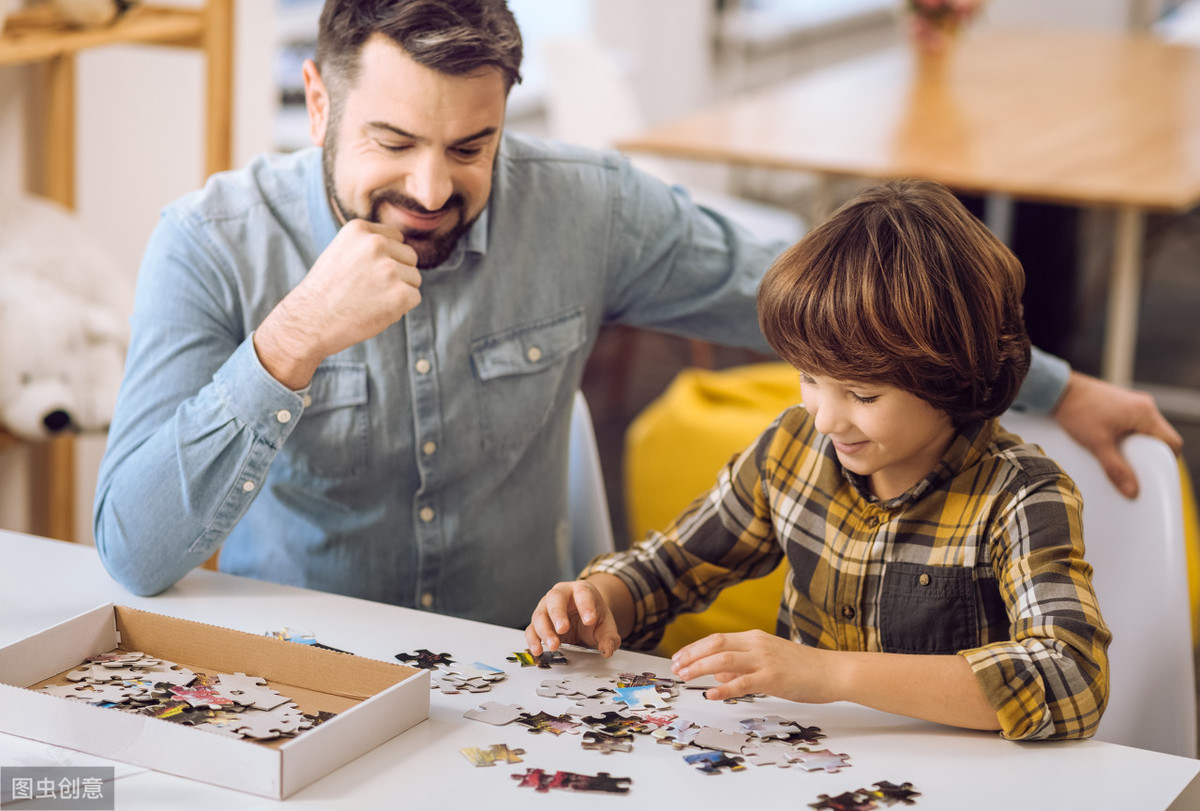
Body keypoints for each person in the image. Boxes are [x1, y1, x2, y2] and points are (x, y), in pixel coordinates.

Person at [95, 0, 1176, 631]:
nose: (431, 189)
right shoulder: (208, 242)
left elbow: (832, 304)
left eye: (470, 147)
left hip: (520, 675)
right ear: (320, 104)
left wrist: (1061, 384)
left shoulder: (587, 206)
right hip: (306, 671)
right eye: (392, 143)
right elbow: (134, 549)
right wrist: (290, 342)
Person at [526, 180, 1111, 741]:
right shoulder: (794, 445)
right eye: (809, 377)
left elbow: (1070, 677)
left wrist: (831, 673)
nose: (826, 418)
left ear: (955, 379)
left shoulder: (1024, 496)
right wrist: (597, 599)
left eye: (863, 395)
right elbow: (670, 567)